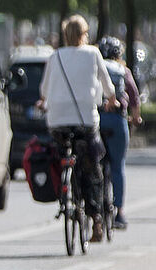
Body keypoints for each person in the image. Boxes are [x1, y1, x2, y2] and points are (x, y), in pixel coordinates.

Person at [39, 15, 116, 242]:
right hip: (85, 120)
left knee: (62, 154)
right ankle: (97, 218)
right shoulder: (93, 54)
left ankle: (64, 189)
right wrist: (111, 99)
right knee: (93, 168)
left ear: (64, 34)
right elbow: (108, 86)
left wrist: (45, 101)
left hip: (57, 121)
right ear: (85, 34)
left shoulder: (55, 56)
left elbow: (44, 90)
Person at [97, 37, 143, 229]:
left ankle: (97, 208)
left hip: (98, 119)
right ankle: (119, 212)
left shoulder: (96, 68)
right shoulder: (123, 71)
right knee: (118, 166)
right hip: (117, 120)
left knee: (95, 164)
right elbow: (134, 99)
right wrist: (136, 118)